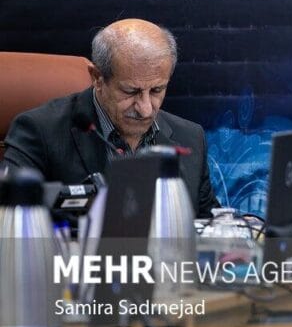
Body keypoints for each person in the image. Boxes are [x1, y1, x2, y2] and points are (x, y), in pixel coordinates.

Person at [3, 19, 219, 218]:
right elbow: (10, 217)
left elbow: (208, 223)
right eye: (131, 92)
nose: (145, 109)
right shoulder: (40, 131)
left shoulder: (190, 137)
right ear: (97, 78)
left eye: (156, 90)